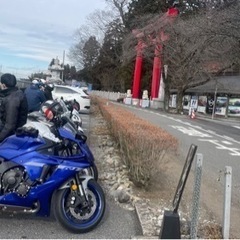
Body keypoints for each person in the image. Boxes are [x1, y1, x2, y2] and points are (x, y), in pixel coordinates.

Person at [0, 73, 28, 142]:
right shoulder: (16, 93)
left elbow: (9, 126)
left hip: (9, 135)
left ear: (3, 85)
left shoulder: (12, 99)